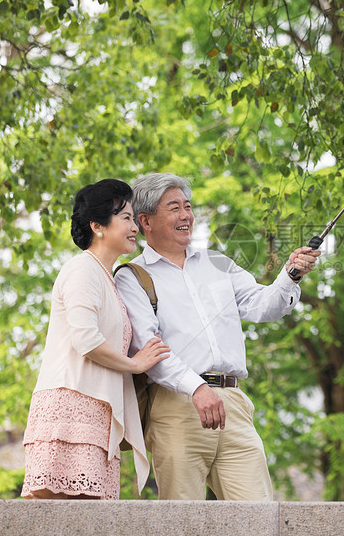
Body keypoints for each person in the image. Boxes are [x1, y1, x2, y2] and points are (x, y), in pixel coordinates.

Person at [114, 172, 321, 501]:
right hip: (175, 407)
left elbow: (263, 306)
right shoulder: (131, 277)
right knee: (185, 523)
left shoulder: (217, 263)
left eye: (188, 206)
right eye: (174, 208)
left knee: (259, 519)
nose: (186, 216)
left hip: (234, 406)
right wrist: (196, 388)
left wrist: (290, 274)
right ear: (146, 221)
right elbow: (150, 350)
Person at [21, 178, 170, 500]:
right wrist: (134, 364)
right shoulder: (82, 270)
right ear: (97, 226)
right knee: (61, 516)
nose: (135, 227)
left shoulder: (106, 276)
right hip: (70, 408)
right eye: (127, 217)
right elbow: (86, 340)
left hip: (95, 412)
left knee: (90, 519)